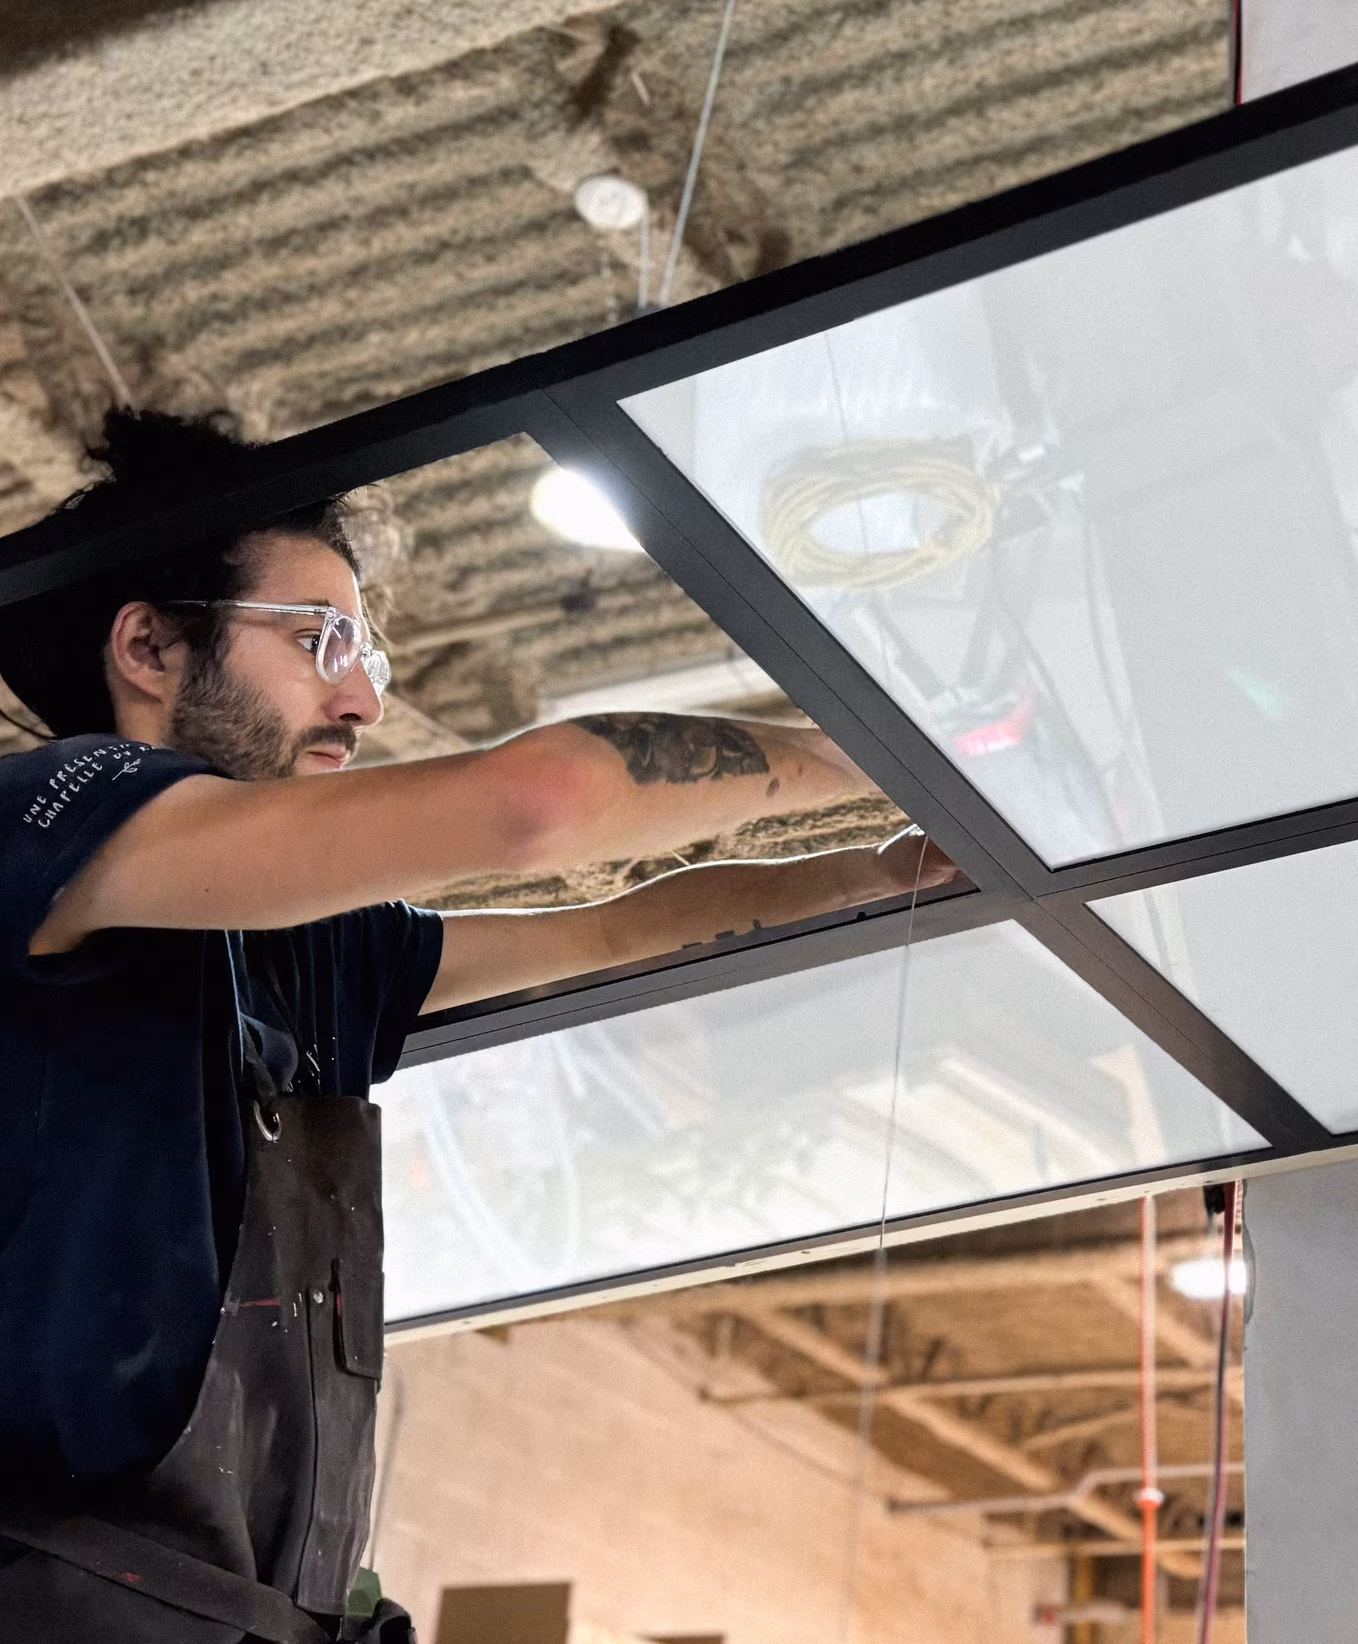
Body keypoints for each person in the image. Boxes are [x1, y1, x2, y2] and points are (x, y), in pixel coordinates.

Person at [0, 410, 952, 1643]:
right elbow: (537, 804)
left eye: (367, 655)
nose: (361, 698)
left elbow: (606, 932)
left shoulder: (313, 941)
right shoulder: (49, 815)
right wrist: (865, 754)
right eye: (320, 639)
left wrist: (876, 874)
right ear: (149, 646)